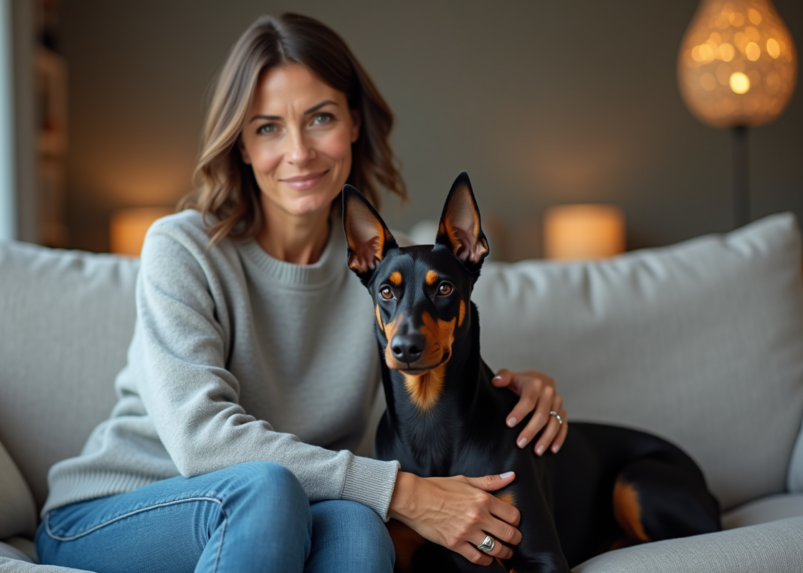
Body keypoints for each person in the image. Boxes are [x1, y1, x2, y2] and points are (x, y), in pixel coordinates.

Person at [36, 13, 569, 573]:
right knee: (270, 489)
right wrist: (405, 493)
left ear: (355, 123)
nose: (299, 152)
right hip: (114, 511)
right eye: (267, 127)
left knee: (362, 533)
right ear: (241, 144)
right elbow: (201, 442)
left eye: (320, 118)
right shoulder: (183, 247)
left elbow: (431, 369)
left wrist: (521, 389)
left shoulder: (393, 270)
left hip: (289, 505)